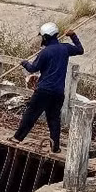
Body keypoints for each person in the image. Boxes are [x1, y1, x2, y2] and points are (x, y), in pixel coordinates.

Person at [10, 22, 84, 153]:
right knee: (54, 119)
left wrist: (24, 63)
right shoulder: (65, 48)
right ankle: (55, 147)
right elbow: (80, 50)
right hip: (58, 92)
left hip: (44, 90)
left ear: (45, 37)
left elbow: (33, 68)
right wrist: (73, 36)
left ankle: (17, 138)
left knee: (31, 115)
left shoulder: (45, 52)